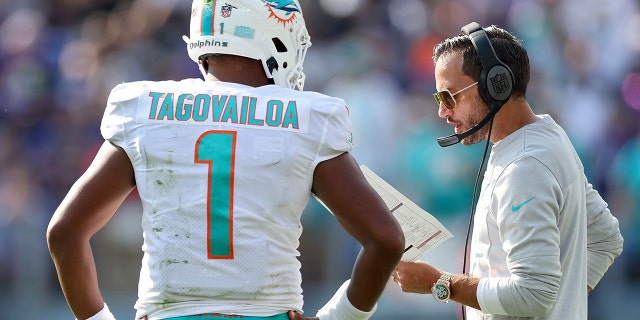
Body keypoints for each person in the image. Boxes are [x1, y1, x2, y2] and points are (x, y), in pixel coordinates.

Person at [46, 1, 405, 320]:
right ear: (271, 38)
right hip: (268, 313)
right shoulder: (307, 119)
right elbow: (386, 240)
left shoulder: (147, 109)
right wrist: (339, 317)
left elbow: (64, 233)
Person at [392, 22, 624, 319]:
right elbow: (606, 237)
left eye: (450, 96)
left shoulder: (525, 167)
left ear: (495, 84)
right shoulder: (546, 139)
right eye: (438, 99)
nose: (442, 111)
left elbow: (533, 294)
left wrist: (437, 283)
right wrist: (565, 303)